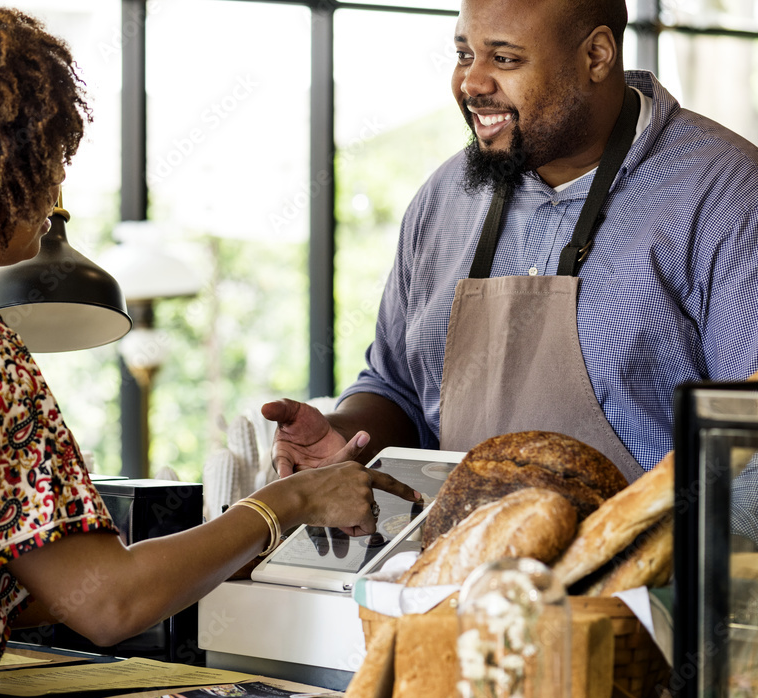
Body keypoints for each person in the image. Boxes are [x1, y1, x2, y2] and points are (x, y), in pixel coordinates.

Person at [0, 8, 420, 698]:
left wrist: (221, 540)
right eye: (46, 161)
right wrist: (291, 503)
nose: (55, 194)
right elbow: (108, 603)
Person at [263, 0, 758, 519]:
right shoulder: (443, 198)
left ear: (596, 55)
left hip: (645, 592)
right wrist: (342, 440)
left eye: (504, 59)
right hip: (451, 577)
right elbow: (395, 388)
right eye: (463, 54)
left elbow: (747, 457)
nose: (471, 83)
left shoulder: (725, 197)